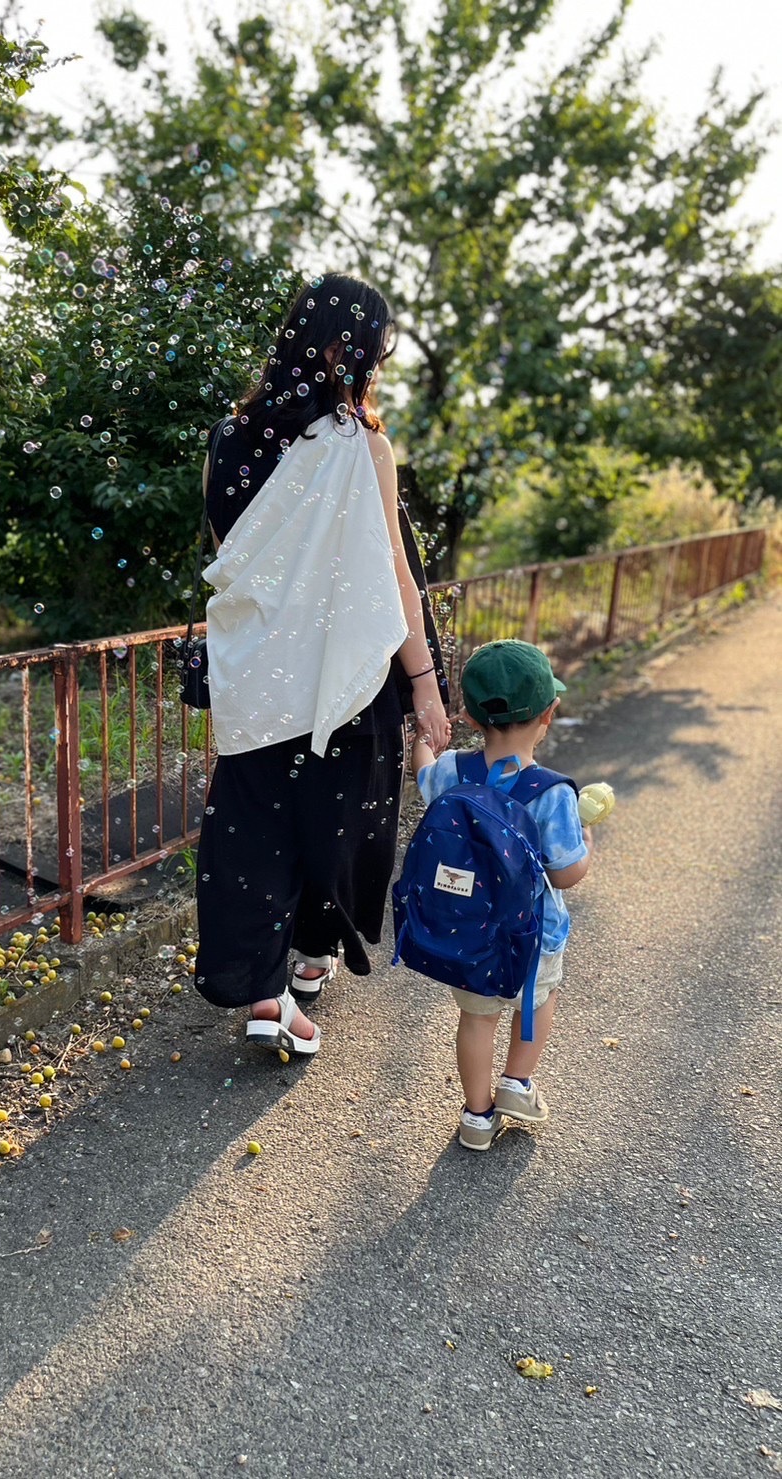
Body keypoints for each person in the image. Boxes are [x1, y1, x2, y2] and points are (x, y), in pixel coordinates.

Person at [194, 272, 451, 1058]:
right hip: (345, 676)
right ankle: (311, 956)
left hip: (259, 673)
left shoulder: (228, 439)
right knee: (342, 822)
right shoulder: (361, 444)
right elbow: (395, 576)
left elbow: (229, 557)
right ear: (350, 351)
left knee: (252, 830)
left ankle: (266, 991)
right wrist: (425, 686)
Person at [411, 640, 591, 1150]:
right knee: (536, 999)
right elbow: (565, 874)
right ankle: (517, 1083)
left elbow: (425, 766)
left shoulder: (451, 774)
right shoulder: (553, 792)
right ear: (548, 715)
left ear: (467, 716)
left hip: (468, 934)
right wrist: (589, 845)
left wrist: (425, 736)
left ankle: (476, 1116)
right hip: (534, 936)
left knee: (477, 1017)